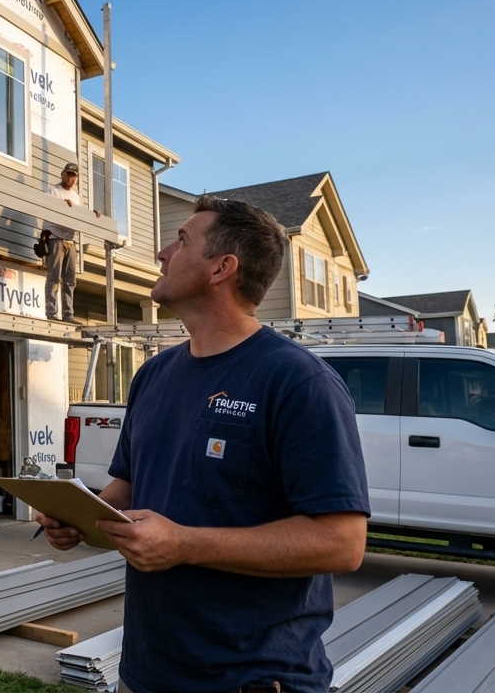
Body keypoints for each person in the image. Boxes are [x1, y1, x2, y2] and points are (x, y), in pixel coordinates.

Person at [36, 196, 370, 693]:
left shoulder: (298, 382)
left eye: (182, 240)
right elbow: (126, 491)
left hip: (252, 678)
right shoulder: (153, 375)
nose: (163, 252)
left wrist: (185, 545)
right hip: (147, 671)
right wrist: (82, 519)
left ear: (222, 268)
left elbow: (343, 543)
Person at [40, 162, 100, 322]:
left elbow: (78, 217)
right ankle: (52, 313)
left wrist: (91, 214)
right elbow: (50, 211)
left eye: (74, 176)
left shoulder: (76, 196)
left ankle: (68, 315)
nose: (71, 178)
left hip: (70, 239)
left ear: (77, 178)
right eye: (69, 175)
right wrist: (63, 206)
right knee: (54, 277)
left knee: (70, 280)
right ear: (62, 174)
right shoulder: (53, 191)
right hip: (55, 238)